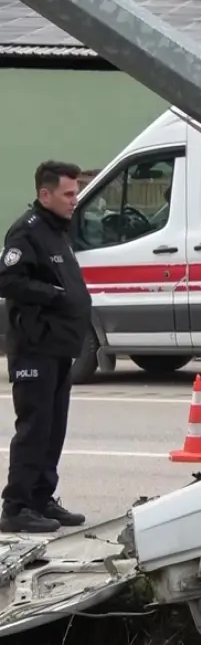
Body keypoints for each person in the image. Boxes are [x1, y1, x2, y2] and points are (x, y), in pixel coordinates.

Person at [0, 161, 92, 533]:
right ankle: (17, 506)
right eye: (68, 194)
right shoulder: (27, 232)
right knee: (35, 427)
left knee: (53, 428)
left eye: (76, 192)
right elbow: (7, 280)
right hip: (34, 349)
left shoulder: (57, 231)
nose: (75, 200)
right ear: (45, 194)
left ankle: (41, 497)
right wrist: (54, 295)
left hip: (58, 348)